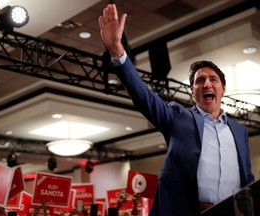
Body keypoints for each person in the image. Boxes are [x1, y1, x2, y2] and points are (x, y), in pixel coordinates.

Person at [98, 4, 255, 216]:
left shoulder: (239, 131)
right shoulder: (178, 118)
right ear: (192, 91)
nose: (207, 84)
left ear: (223, 88)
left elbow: (247, 180)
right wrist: (117, 49)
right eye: (200, 81)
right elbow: (144, 97)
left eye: (213, 79)